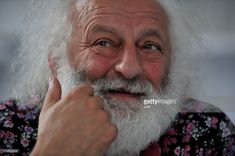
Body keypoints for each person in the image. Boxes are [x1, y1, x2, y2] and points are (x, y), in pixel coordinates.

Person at [0, 0, 234, 155]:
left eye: (150, 46)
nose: (129, 68)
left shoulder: (208, 129)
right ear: (56, 59)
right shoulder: (6, 127)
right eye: (103, 42)